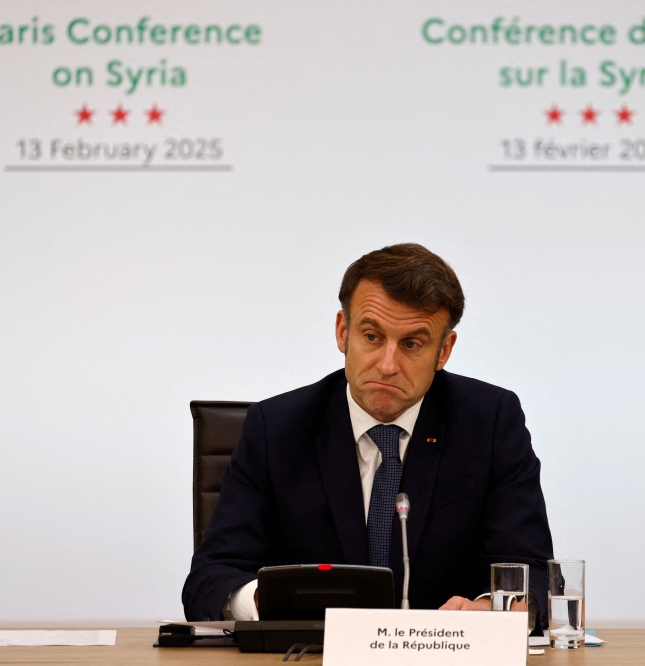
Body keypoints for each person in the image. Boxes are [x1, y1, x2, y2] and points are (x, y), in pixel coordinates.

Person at [182, 243, 554, 627]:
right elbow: (210, 580)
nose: (388, 365)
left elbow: (532, 574)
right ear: (343, 332)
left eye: (412, 344)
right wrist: (266, 599)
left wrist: (494, 610)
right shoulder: (275, 428)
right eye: (372, 337)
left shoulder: (490, 422)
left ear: (444, 351)